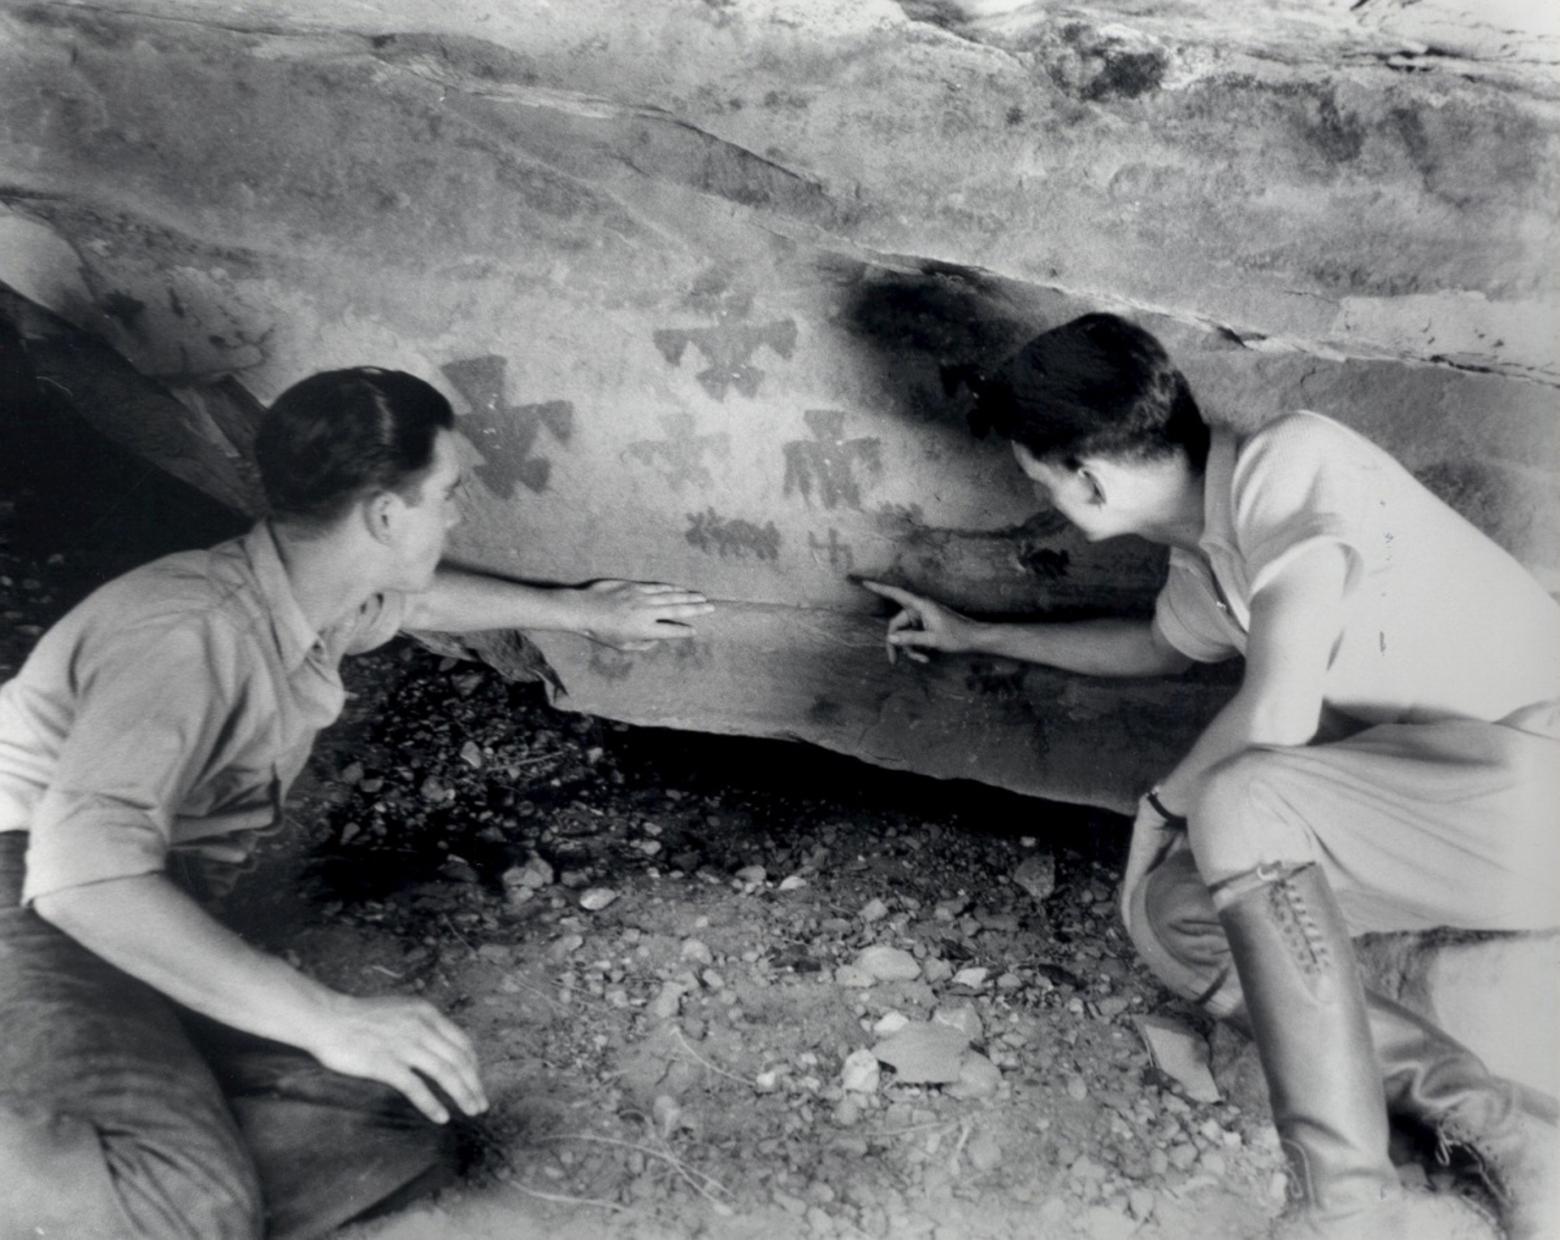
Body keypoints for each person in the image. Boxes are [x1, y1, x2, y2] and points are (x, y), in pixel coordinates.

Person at [861, 313, 1558, 1240]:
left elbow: (1276, 713)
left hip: (1533, 792)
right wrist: (978, 632)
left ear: (1090, 478)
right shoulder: (1209, 562)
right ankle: (1502, 1128)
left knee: (1240, 797)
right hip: (1450, 825)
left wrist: (1162, 804)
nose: (1042, 493)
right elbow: (1155, 647)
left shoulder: (1291, 463)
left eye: (1038, 477)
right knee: (1173, 918)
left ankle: (1345, 1205)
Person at [0, 367, 715, 1240]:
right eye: (447, 494)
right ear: (384, 516)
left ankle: (124, 1177)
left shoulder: (310, 591)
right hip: (37, 891)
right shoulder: (186, 632)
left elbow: (409, 597)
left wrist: (574, 612)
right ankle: (157, 1195)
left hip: (139, 895)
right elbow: (82, 881)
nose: (456, 515)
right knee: (189, 1205)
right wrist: (325, 1017)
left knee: (401, 1115)